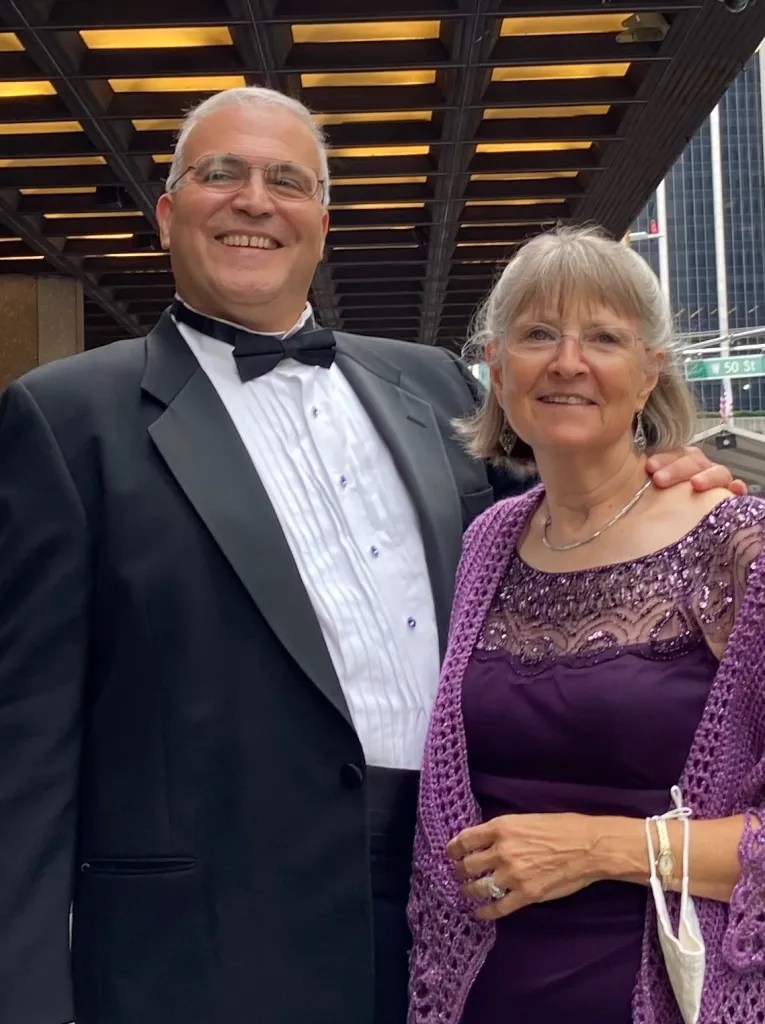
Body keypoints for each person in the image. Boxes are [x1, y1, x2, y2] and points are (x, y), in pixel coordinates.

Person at [0, 89, 738, 1024]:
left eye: (286, 181)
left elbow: (577, 520)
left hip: (466, 922)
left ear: (322, 222)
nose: (254, 200)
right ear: (168, 212)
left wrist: (668, 470)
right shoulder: (66, 418)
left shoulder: (431, 385)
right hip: (207, 948)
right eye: (221, 174)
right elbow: (25, 754)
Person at [407, 225, 765, 1024]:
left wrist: (599, 848)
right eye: (538, 334)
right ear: (496, 367)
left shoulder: (736, 545)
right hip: (480, 988)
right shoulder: (489, 541)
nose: (567, 362)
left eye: (602, 338)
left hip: (675, 993)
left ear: (649, 374)